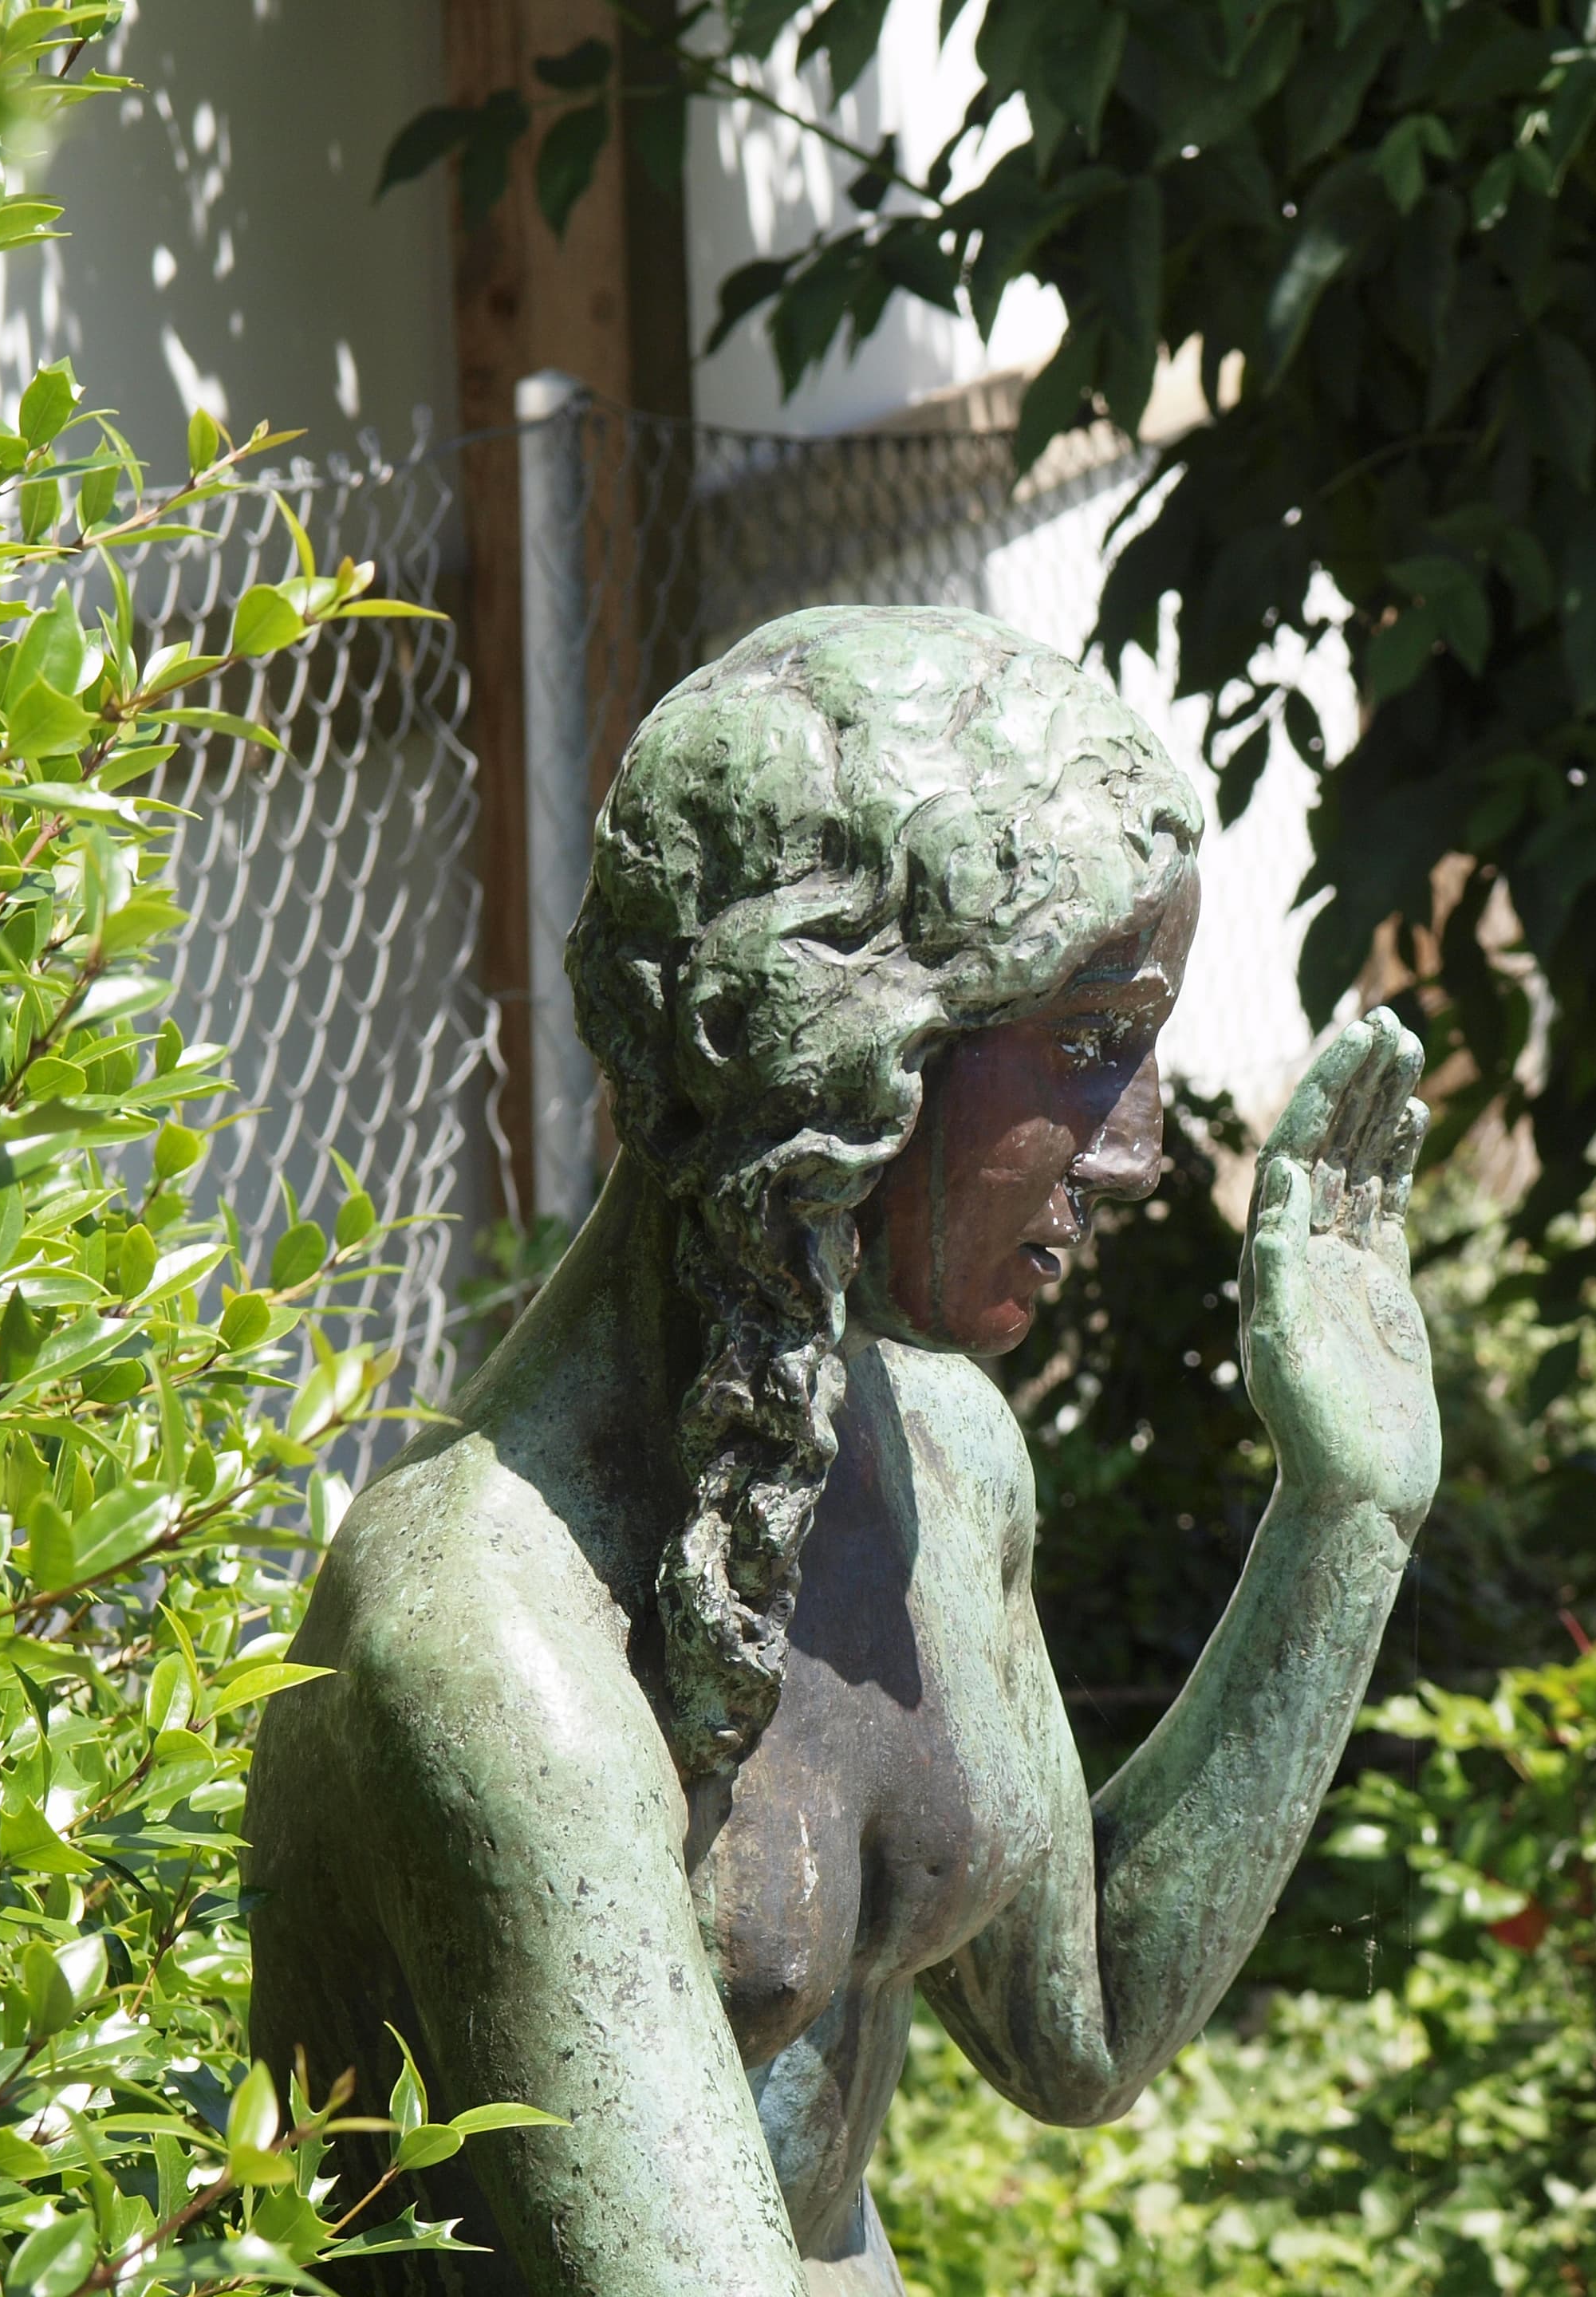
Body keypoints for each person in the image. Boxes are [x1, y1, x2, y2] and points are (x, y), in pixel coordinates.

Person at [246, 605, 1438, 2295]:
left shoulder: (944, 1448)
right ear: (848, 1047)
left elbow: (1082, 2028)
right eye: (1089, 1045)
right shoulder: (490, 1651)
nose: (1138, 1154)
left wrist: (1345, 1513)